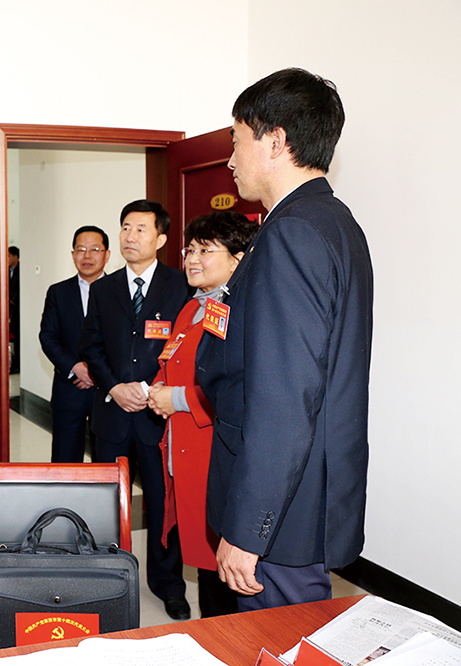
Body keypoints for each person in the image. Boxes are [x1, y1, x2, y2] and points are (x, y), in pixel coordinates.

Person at [195, 68, 373, 610]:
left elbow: (285, 396)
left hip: (283, 509)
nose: (230, 160)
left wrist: (250, 529)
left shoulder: (292, 232)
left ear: (274, 141)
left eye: (236, 141)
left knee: (280, 635)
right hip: (304, 490)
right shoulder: (330, 220)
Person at [79, 199, 191, 620]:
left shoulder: (180, 285)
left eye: (141, 229)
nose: (130, 236)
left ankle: (168, 584)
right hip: (111, 413)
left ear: (161, 238)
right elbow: (92, 346)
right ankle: (106, 579)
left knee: (163, 505)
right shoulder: (103, 288)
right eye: (126, 227)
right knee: (107, 503)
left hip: (158, 416)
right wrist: (114, 386)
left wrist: (149, 388)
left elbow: (185, 346)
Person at [147, 211, 259, 618]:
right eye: (190, 250)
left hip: (214, 453)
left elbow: (237, 389)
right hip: (184, 450)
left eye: (205, 251)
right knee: (204, 558)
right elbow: (175, 361)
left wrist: (175, 399)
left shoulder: (239, 311)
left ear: (237, 260)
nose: (192, 259)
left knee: (221, 567)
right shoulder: (193, 307)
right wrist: (158, 390)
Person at [39, 225, 111, 463]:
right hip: (69, 388)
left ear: (107, 254)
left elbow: (126, 340)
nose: (87, 256)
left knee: (107, 462)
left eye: (95, 249)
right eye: (81, 249)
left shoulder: (120, 291)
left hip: (108, 391)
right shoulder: (58, 292)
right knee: (65, 459)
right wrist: (74, 367)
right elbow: (48, 336)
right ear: (73, 255)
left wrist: (97, 372)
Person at [8, 245, 20, 373]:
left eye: (9, 256)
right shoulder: (6, 271)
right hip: (9, 310)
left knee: (18, 339)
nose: (7, 259)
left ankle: (17, 364)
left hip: (17, 309)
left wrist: (13, 299)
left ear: (16, 257)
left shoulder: (21, 270)